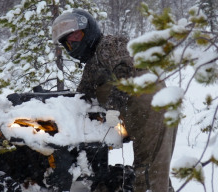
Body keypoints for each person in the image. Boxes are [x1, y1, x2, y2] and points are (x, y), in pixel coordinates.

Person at [52, 9, 177, 192]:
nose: (74, 44)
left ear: (89, 31)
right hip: (141, 113)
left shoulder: (109, 44)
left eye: (76, 36)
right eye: (69, 43)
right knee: (154, 170)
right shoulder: (92, 65)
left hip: (152, 107)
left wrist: (113, 107)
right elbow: (82, 96)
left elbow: (126, 70)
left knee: (149, 172)